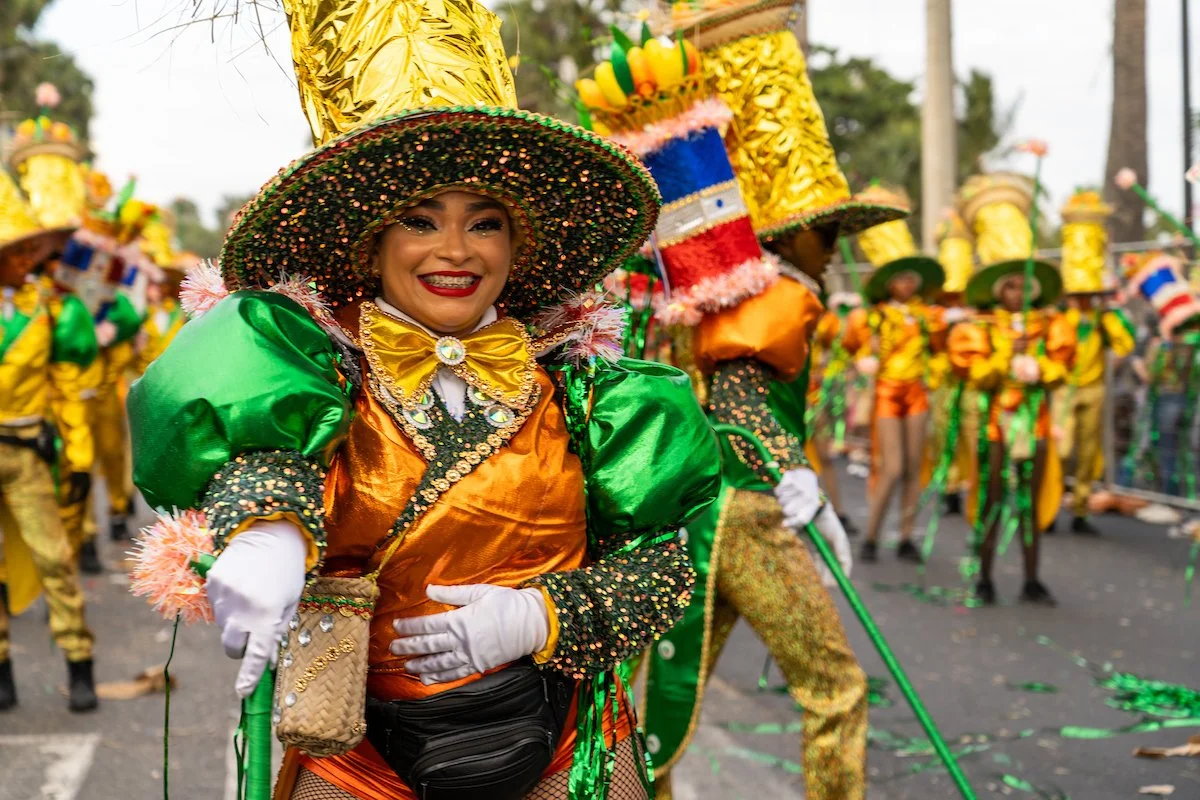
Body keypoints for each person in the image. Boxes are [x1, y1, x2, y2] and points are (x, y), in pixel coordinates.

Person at [126, 1, 719, 797]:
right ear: (372, 243)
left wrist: (540, 618)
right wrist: (267, 534)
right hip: (359, 756)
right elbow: (263, 460)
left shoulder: (591, 396)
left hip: (560, 747)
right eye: (420, 219)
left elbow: (661, 573)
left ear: (518, 247)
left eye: (484, 223)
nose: (454, 251)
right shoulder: (318, 379)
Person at [618, 3, 907, 796]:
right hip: (745, 512)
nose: (836, 246)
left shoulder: (720, 290)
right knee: (835, 688)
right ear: (787, 237)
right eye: (827, 231)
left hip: (693, 511)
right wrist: (795, 476)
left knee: (657, 705)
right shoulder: (774, 296)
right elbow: (742, 395)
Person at [949, 173, 1075, 607]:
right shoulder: (979, 328)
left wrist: (1038, 367)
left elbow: (1063, 370)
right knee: (992, 499)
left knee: (1029, 502)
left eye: (1025, 286)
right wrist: (1007, 358)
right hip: (995, 426)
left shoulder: (1051, 324)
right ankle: (983, 577)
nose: (1019, 293)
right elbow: (974, 374)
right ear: (999, 289)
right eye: (1012, 286)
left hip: (1035, 424)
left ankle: (1031, 578)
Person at [0, 168, 99, 712]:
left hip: (26, 455)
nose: (22, 259)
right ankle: (2, 667)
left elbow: (69, 393)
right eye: (12, 250)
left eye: (26, 249)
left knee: (53, 560)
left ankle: (78, 661)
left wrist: (79, 460)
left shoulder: (53, 310)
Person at [845, 185, 947, 564]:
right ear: (887, 281)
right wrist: (863, 360)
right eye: (899, 277)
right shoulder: (870, 317)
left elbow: (940, 357)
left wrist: (931, 377)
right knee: (892, 467)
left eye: (911, 278)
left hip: (916, 392)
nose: (907, 284)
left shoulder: (928, 316)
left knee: (914, 466)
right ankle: (871, 534)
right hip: (887, 392)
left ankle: (905, 535)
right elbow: (846, 349)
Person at [1052, 190, 1135, 533]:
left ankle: (1082, 510)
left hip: (1094, 388)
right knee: (1061, 449)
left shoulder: (1103, 317)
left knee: (1088, 454)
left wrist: (1107, 314)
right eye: (1079, 294)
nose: (1083, 298)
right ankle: (1050, 503)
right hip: (1063, 389)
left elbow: (1125, 344)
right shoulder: (1059, 317)